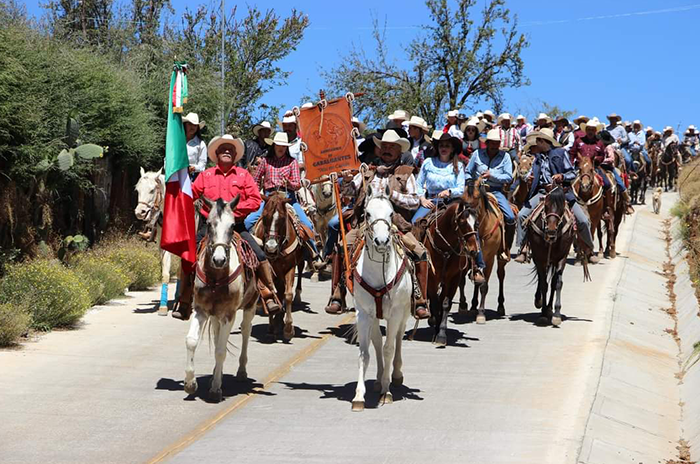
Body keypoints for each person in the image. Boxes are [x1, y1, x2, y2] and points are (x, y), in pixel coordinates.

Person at [172, 134, 281, 320]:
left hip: (235, 227)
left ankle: (268, 293)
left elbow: (255, 200)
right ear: (216, 154)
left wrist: (232, 213)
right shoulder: (206, 175)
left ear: (235, 155)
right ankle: (184, 298)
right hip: (211, 229)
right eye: (223, 149)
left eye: (231, 150)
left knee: (259, 255)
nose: (227, 152)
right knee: (188, 255)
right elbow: (191, 195)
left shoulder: (243, 175)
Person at [324, 130, 431, 319]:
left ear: (399, 151)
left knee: (420, 252)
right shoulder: (367, 171)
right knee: (342, 247)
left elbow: (415, 201)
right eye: (385, 146)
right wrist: (347, 181)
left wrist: (393, 196)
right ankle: (337, 294)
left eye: (392, 147)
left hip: (396, 225)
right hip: (366, 224)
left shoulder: (406, 173)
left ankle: (419, 299)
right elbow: (349, 194)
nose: (387, 150)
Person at [514, 128, 599, 265]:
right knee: (522, 215)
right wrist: (527, 178)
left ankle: (589, 249)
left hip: (561, 193)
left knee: (582, 220)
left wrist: (562, 176)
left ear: (544, 141)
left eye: (538, 141)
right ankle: (523, 248)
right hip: (542, 192)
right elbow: (527, 174)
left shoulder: (560, 153)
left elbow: (572, 173)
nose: (535, 144)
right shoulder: (537, 158)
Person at [244, 132, 324, 270]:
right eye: (278, 145)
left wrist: (290, 183)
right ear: (274, 145)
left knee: (306, 224)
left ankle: (314, 255)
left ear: (286, 147)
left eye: (283, 146)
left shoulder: (292, 162)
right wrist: (256, 194)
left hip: (288, 198)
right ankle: (247, 253)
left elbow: (297, 184)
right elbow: (256, 180)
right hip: (269, 197)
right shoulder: (265, 161)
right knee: (248, 221)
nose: (280, 148)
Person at [465, 128, 516, 262]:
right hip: (476, 190)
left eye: (496, 143)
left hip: (495, 191)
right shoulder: (477, 154)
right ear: (487, 143)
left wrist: (492, 175)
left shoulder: (505, 157)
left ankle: (505, 249)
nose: (494, 145)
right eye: (492, 143)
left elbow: (508, 177)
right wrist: (471, 183)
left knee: (510, 217)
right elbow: (468, 171)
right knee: (462, 213)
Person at [412, 132, 466, 223]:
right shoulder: (428, 162)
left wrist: (449, 192)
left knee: (467, 224)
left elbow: (461, 188)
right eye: (441, 146)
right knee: (414, 222)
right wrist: (423, 199)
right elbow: (419, 183)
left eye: (447, 146)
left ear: (452, 149)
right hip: (431, 202)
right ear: (437, 148)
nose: (444, 148)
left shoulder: (458, 165)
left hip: (452, 202)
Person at [599, 131, 635, 215]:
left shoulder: (609, 147)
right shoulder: (598, 146)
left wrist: (602, 160)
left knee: (619, 182)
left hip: (608, 167)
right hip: (598, 167)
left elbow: (611, 158)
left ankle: (627, 201)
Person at [182, 113, 207, 178]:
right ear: (185, 125)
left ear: (197, 128)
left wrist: (193, 168)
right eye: (190, 124)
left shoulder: (201, 144)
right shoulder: (177, 141)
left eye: (195, 125)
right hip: (176, 175)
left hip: (192, 177)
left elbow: (202, 164)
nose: (192, 127)